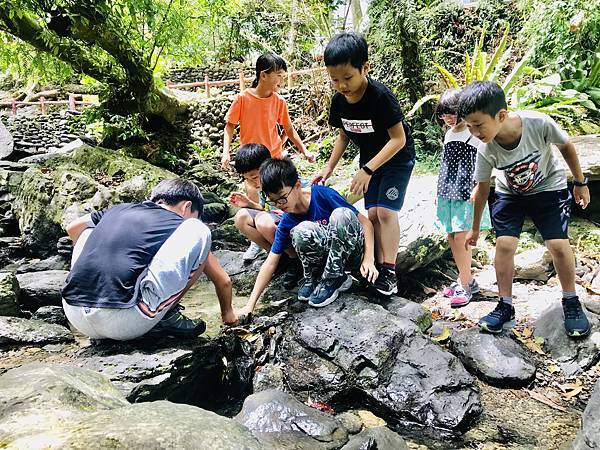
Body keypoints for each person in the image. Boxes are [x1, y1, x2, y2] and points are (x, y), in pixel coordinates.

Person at [461, 80, 591, 337]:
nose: (474, 132)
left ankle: (571, 300)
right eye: (469, 126)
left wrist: (580, 182)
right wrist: (475, 228)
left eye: (478, 125)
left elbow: (566, 146)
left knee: (557, 244)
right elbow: (483, 189)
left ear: (501, 115)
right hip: (511, 194)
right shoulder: (485, 149)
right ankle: (505, 305)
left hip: (549, 188)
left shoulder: (537, 123)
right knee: (505, 245)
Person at [61, 179, 238, 341]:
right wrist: (228, 314)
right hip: (125, 323)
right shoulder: (185, 225)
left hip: (75, 313)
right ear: (186, 206)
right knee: (199, 230)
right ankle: (167, 314)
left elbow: (72, 228)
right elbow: (223, 281)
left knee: (87, 231)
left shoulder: (120, 209)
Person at [313, 32, 415, 296]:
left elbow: (398, 139)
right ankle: (377, 268)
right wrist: (328, 168)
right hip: (369, 162)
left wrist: (367, 170)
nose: (342, 85)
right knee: (371, 215)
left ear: (365, 68)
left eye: (347, 78)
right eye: (335, 80)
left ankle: (389, 271)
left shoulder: (380, 97)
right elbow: (344, 134)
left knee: (384, 213)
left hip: (396, 159)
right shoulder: (339, 101)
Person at [239, 158, 377, 315]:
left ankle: (334, 278)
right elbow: (270, 263)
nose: (280, 204)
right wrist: (250, 305)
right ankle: (315, 278)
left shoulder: (322, 194)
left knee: (342, 214)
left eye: (282, 197)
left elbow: (366, 224)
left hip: (350, 254)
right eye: (274, 202)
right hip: (325, 261)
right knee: (300, 231)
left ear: (297, 186)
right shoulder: (287, 219)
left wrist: (369, 259)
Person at [221, 53, 315, 260]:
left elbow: (288, 130)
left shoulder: (279, 101)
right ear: (263, 75)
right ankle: (258, 241)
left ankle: (297, 241)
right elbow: (229, 127)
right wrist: (226, 152)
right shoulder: (243, 99)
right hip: (252, 162)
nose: (281, 80)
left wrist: (305, 151)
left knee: (282, 201)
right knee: (255, 202)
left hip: (273, 161)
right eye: (278, 75)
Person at [435, 89, 492, 307]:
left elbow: (486, 162)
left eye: (452, 112)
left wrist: (479, 187)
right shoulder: (449, 134)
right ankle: (465, 279)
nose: (447, 118)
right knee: (452, 236)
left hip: (467, 191)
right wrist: (437, 192)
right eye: (443, 114)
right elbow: (446, 165)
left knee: (462, 237)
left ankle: (466, 286)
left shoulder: (473, 133)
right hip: (448, 191)